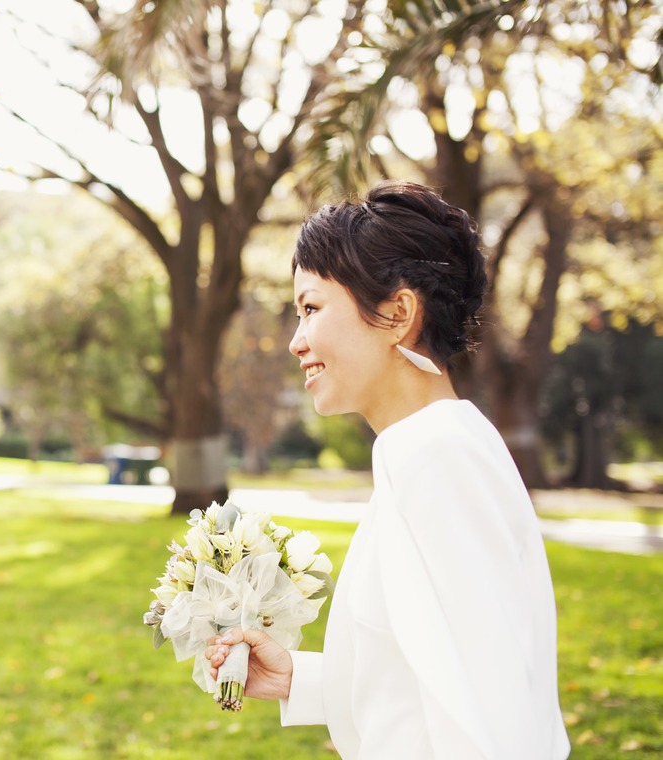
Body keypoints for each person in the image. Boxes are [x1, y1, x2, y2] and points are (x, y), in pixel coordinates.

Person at [205, 181, 570, 759]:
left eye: (311, 308)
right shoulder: (423, 448)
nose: (297, 341)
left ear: (398, 313)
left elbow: (495, 709)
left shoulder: (439, 457)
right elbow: (430, 667)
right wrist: (298, 680)